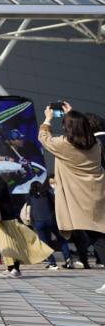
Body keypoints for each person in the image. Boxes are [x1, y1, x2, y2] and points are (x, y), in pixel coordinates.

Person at [37, 102, 105, 292]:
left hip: (82, 198)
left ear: (67, 128)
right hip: (99, 191)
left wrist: (48, 119)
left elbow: (44, 138)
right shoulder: (95, 144)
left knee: (97, 237)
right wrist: (72, 114)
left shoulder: (64, 145)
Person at [0, 168, 52, 277]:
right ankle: (9, 267)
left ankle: (16, 269)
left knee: (12, 244)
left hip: (8, 218)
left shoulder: (0, 184)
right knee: (4, 245)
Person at [26, 181, 71, 269]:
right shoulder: (47, 194)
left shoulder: (29, 196)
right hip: (51, 220)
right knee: (61, 239)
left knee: (44, 243)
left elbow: (28, 208)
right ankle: (68, 259)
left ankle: (52, 263)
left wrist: (30, 219)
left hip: (38, 222)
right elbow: (55, 205)